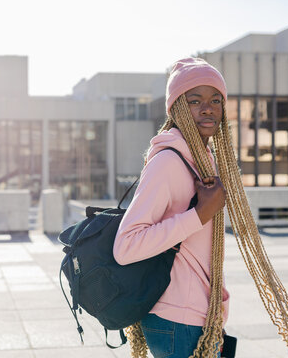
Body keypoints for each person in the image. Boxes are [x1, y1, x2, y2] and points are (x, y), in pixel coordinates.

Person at [113, 57, 230, 358]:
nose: (208, 108)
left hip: (201, 316)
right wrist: (200, 214)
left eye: (216, 100)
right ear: (176, 107)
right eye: (195, 100)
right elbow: (126, 246)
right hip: (177, 321)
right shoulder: (167, 162)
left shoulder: (203, 159)